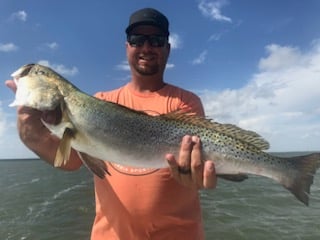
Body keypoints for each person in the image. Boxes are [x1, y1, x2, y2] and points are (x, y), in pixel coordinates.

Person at [6, 8, 217, 240]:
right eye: (137, 40)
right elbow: (72, 161)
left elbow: (194, 165)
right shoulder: (101, 101)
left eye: (156, 40)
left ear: (167, 48)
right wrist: (29, 128)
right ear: (127, 47)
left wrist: (193, 173)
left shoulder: (186, 102)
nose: (146, 48)